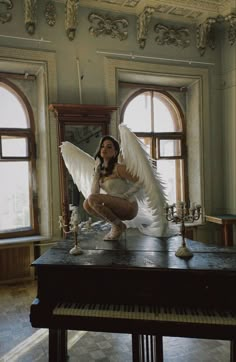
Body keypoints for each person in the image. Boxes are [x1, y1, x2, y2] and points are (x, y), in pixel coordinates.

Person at [83, 135, 141, 241]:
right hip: (117, 205)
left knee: (91, 199)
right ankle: (117, 224)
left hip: (129, 206)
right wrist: (97, 172)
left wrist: (125, 195)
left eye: (109, 147)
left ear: (115, 152)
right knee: (87, 204)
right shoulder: (100, 171)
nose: (104, 149)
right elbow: (94, 193)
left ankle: (118, 226)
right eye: (102, 146)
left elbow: (140, 181)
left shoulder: (119, 168)